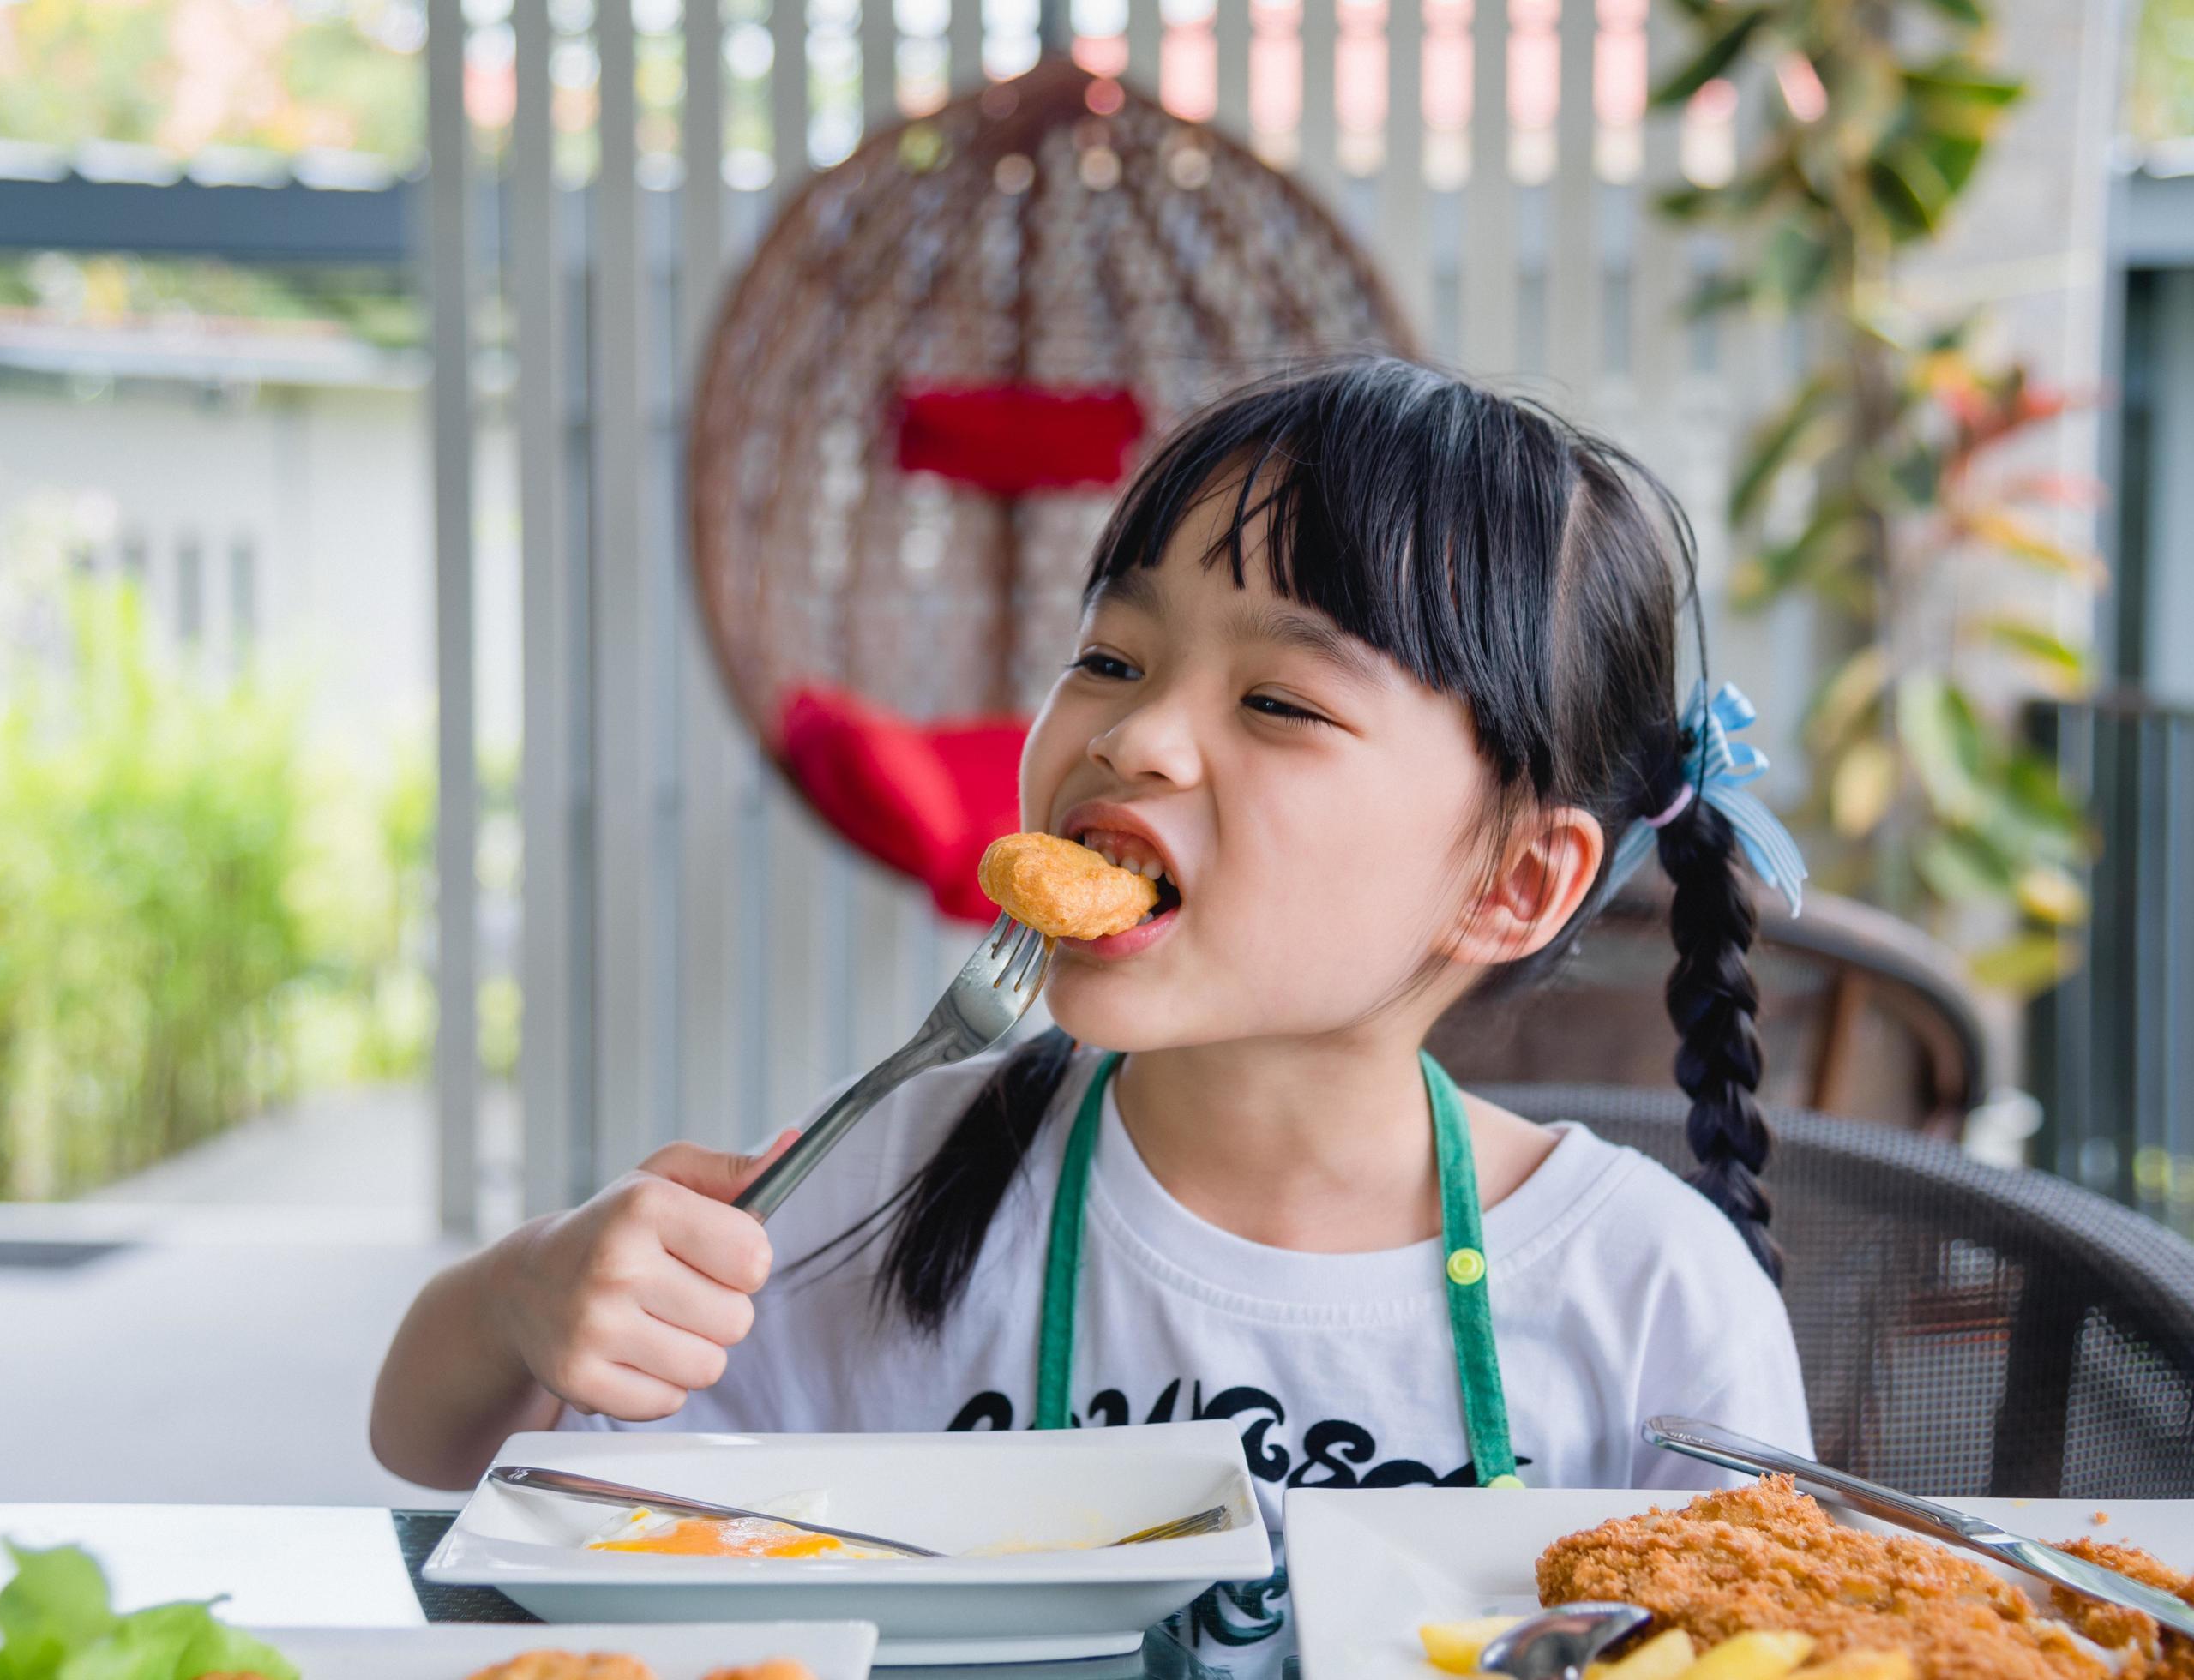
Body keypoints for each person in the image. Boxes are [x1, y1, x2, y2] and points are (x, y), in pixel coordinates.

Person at [372, 358, 1813, 1526]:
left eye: (1281, 704)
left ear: (1510, 883)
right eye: (1112, 660)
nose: (1132, 736)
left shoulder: (1650, 1295)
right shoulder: (884, 1179)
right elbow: (441, 1455)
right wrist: (522, 1300)